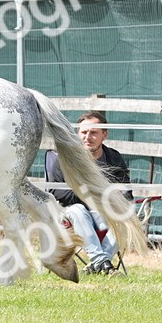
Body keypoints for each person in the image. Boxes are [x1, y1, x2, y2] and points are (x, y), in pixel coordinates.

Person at [45, 111, 132, 275]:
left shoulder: (113, 158)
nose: (88, 137)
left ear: (104, 135)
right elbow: (56, 192)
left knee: (125, 219)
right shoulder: (61, 157)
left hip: (103, 213)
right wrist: (95, 194)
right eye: (84, 132)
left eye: (94, 133)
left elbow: (126, 194)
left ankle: (97, 265)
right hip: (69, 213)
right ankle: (102, 263)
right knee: (78, 210)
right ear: (78, 134)